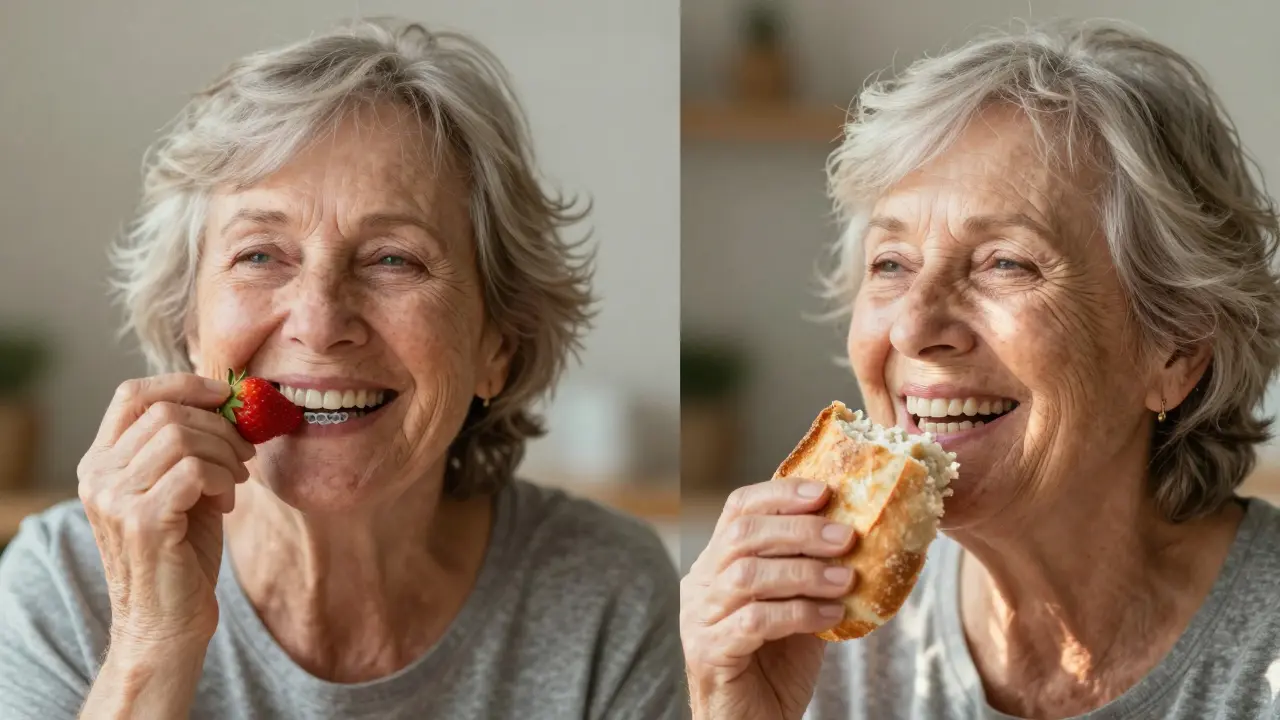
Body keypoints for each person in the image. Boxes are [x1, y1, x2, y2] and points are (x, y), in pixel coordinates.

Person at [0, 18, 681, 719]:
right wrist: (151, 643)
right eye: (261, 255)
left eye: (394, 259)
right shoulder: (62, 586)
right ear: (189, 323)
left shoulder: (609, 594)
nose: (320, 325)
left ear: (496, 347)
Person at [681, 19, 1280, 720]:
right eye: (891, 264)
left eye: (1005, 263)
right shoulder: (810, 636)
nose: (913, 326)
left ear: (1175, 350)